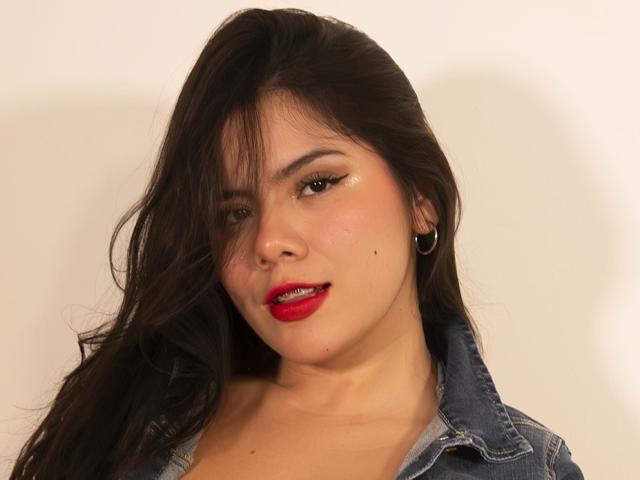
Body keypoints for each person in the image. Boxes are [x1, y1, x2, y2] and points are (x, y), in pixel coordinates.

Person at [10, 7, 584, 480]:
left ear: (422, 197)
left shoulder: (526, 471)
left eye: (316, 184)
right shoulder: (125, 430)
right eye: (234, 213)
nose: (268, 241)